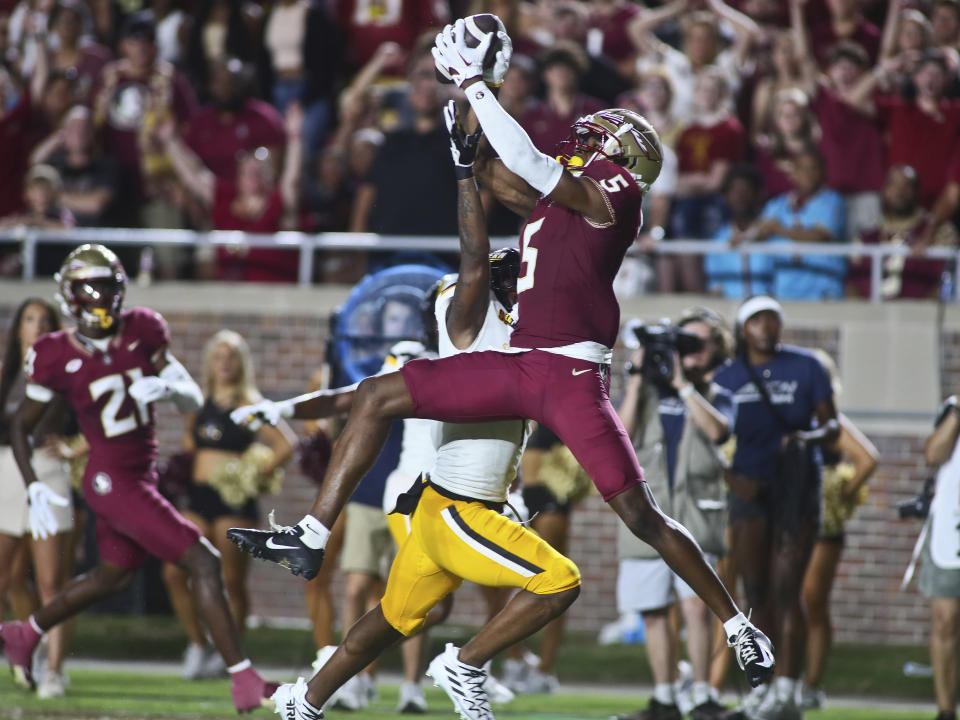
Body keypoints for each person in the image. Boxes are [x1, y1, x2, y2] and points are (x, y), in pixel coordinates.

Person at [228, 19, 774, 720]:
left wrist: (477, 85)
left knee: (638, 511)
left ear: (618, 151)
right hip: (516, 365)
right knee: (374, 395)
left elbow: (536, 171)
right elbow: (492, 176)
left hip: (572, 373)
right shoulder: (552, 210)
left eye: (594, 135)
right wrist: (459, 123)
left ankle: (734, 622)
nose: (579, 137)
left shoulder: (617, 194)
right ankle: (310, 537)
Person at [0, 244, 275, 713]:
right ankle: (243, 679)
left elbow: (190, 395)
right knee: (204, 561)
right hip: (111, 480)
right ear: (71, 296)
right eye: (90, 288)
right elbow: (22, 426)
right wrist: (34, 485)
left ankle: (24, 633)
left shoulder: (143, 329)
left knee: (113, 575)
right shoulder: (53, 353)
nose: (101, 297)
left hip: (140, 476)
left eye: (107, 286)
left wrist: (169, 387)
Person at [714, 295, 839, 720]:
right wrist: (732, 479)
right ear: (743, 328)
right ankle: (761, 689)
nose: (766, 327)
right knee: (756, 590)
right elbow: (711, 436)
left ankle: (788, 690)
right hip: (749, 486)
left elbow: (833, 424)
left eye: (773, 319)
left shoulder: (807, 366)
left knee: (789, 589)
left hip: (797, 485)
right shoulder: (727, 376)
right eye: (757, 320)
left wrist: (807, 440)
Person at [614, 308, 734, 720]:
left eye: (698, 343)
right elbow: (620, 432)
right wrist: (636, 376)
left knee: (698, 607)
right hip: (646, 517)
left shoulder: (719, 395)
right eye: (685, 342)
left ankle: (701, 696)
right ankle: (665, 697)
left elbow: (719, 431)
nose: (691, 352)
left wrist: (683, 385)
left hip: (697, 518)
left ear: (717, 349)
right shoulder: (646, 391)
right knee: (651, 609)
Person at [163, 330, 295, 681]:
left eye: (232, 357)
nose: (225, 363)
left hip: (233, 501)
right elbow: (191, 444)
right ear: (210, 363)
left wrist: (253, 472)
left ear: (241, 364)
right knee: (175, 571)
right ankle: (198, 644)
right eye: (219, 357)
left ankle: (230, 656)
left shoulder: (249, 403)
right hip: (198, 497)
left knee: (231, 581)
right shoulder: (200, 401)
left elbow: (286, 444)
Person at [0, 298, 75, 699]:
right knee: (4, 576)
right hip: (7, 473)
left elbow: (93, 423)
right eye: (29, 319)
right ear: (18, 328)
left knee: (51, 581)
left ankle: (54, 669)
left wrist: (73, 449)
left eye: (45, 320)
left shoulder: (67, 372)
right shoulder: (7, 373)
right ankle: (16, 652)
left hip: (47, 472)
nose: (37, 326)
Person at [798, 350, 878, 711]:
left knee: (812, 600)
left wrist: (839, 493)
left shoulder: (830, 421)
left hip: (822, 525)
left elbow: (868, 458)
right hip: (787, 515)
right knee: (782, 599)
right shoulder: (787, 416)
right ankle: (783, 678)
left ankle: (812, 684)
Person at [922, 392, 960, 720]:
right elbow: (934, 453)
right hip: (953, 525)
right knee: (946, 618)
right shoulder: (952, 409)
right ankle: (946, 711)